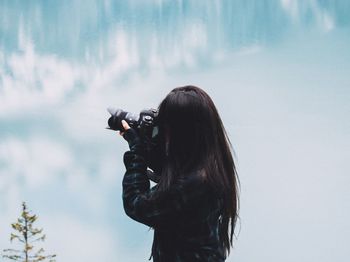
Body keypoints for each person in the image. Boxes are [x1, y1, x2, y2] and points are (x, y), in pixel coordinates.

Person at [119, 85, 240, 261]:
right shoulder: (210, 166)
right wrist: (149, 149)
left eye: (165, 127)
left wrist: (137, 152)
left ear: (181, 132)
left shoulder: (197, 184)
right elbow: (172, 172)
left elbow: (136, 204)